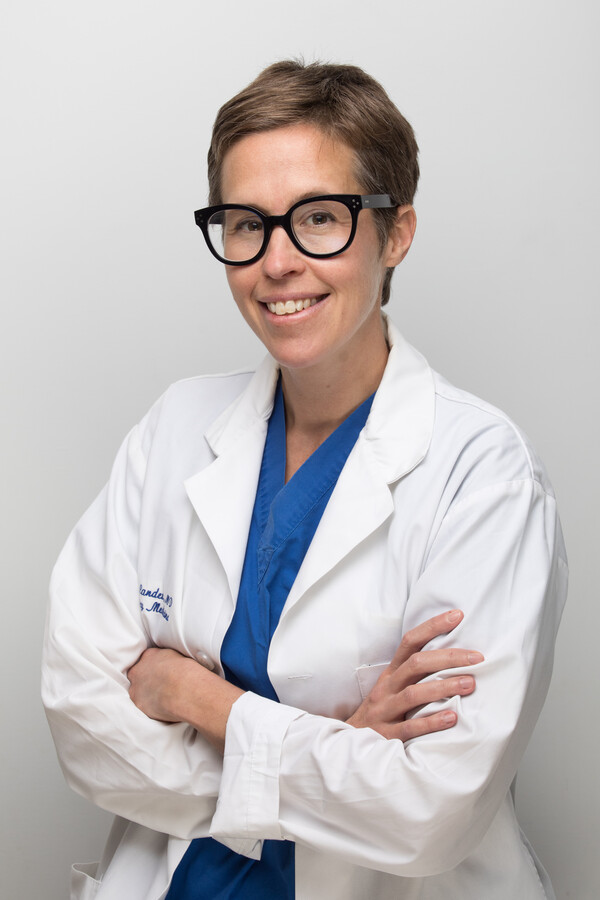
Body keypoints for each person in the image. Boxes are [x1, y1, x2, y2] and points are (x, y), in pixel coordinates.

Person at [42, 60, 567, 900]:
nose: (277, 261)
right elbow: (82, 724)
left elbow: (430, 809)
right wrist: (331, 742)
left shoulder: (482, 473)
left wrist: (199, 700)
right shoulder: (173, 432)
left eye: (320, 218)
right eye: (246, 223)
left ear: (395, 233)